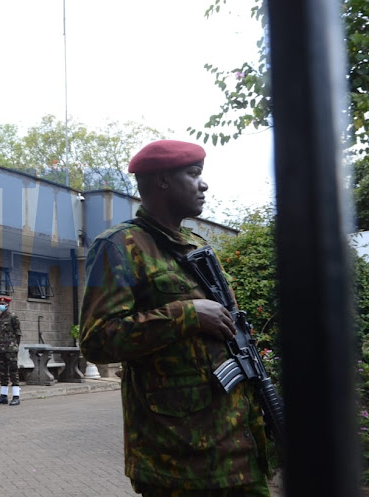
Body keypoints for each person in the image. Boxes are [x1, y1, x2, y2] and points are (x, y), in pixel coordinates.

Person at [79, 140, 270, 496]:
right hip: (178, 463)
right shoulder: (120, 246)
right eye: (194, 174)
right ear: (163, 181)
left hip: (239, 454)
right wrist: (185, 315)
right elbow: (96, 339)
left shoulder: (198, 247)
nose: (204, 184)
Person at [0, 296, 22, 406]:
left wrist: (16, 347)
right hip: (0, 349)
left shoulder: (13, 317)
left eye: (3, 303)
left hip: (11, 348)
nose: (1, 305)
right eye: (0, 303)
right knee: (2, 373)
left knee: (13, 372)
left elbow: (18, 334)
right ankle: (3, 396)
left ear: (8, 304)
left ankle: (16, 396)